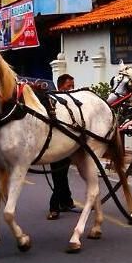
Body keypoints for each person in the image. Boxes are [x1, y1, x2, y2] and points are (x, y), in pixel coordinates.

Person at [47, 73, 76, 220]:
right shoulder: (53, 100)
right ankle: (54, 206)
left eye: (72, 86)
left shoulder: (71, 102)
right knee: (59, 176)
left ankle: (67, 201)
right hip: (55, 144)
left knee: (62, 175)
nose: (71, 89)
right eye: (68, 86)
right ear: (60, 86)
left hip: (68, 143)